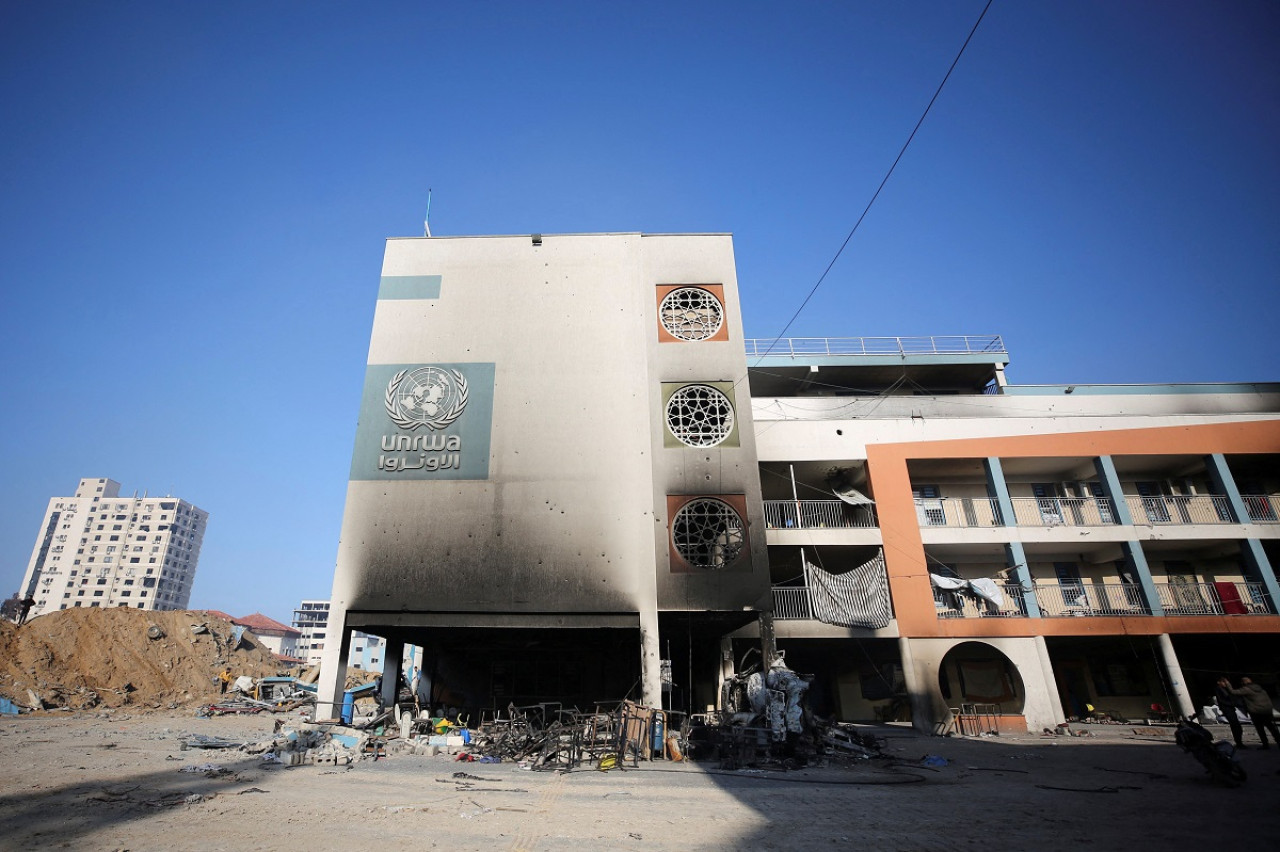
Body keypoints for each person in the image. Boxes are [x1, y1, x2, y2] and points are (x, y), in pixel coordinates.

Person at [1228, 676, 1280, 749]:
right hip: (1267, 710)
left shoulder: (1246, 689)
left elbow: (1233, 692)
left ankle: (1265, 744)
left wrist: (1227, 684)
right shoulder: (1260, 689)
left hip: (1256, 712)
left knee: (1260, 729)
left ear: (1243, 682)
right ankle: (1278, 741)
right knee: (1272, 727)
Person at [1214, 676, 1247, 748]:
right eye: (1223, 682)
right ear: (1219, 682)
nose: (1225, 683)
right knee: (1235, 726)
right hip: (1227, 709)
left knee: (1237, 726)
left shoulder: (1224, 689)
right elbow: (1221, 700)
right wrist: (1232, 704)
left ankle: (1239, 742)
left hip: (1230, 709)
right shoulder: (1219, 689)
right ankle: (1239, 743)